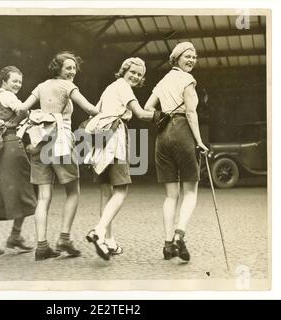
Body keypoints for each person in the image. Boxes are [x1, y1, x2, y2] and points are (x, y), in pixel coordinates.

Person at [17, 51, 99, 261]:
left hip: (40, 141)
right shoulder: (67, 86)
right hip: (60, 141)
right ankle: (64, 238)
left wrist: (40, 118)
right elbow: (89, 108)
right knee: (73, 191)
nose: (72, 72)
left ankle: (41, 246)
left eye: (74, 68)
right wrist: (107, 109)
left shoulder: (41, 86)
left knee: (43, 197)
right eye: (68, 68)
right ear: (59, 69)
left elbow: (22, 109)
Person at [85, 57, 156, 260]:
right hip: (115, 138)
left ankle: (109, 241)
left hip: (100, 139)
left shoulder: (109, 88)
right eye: (132, 72)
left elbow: (95, 112)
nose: (135, 76)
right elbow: (141, 114)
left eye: (139, 75)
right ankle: (98, 231)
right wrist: (163, 116)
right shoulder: (124, 87)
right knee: (121, 191)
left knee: (106, 191)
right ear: (124, 70)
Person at [144, 42, 209, 262]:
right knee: (190, 191)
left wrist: (161, 117)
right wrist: (199, 141)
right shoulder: (188, 80)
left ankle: (167, 244)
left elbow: (147, 108)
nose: (191, 60)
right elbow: (191, 113)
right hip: (182, 133)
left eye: (194, 57)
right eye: (187, 56)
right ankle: (180, 234)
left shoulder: (163, 81)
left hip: (162, 138)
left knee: (170, 195)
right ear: (177, 58)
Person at [0, 66, 38, 258]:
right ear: (4, 81)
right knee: (26, 188)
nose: (18, 85)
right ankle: (15, 235)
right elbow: (23, 110)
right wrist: (13, 123)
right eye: (14, 81)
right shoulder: (8, 97)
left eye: (20, 82)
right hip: (11, 145)